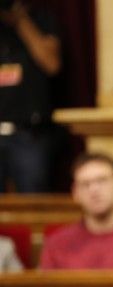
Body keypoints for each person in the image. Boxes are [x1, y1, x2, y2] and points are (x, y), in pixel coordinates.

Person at [0, 1, 61, 192]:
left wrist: (20, 20)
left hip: (27, 133)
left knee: (33, 200)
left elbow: (51, 64)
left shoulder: (41, 19)